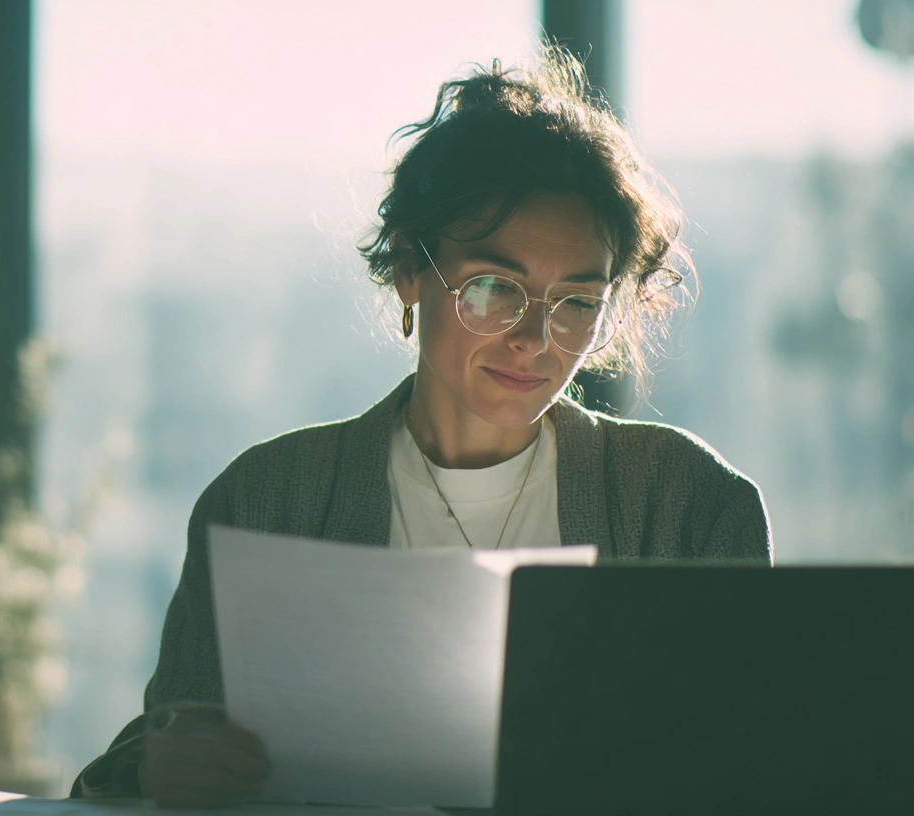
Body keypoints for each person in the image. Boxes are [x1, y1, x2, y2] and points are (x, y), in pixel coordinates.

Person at [70, 47, 773, 806]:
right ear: (410, 269)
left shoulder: (686, 502)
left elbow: (758, 769)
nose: (534, 340)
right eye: (493, 289)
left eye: (576, 303)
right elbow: (169, 739)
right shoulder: (267, 501)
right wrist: (160, 768)